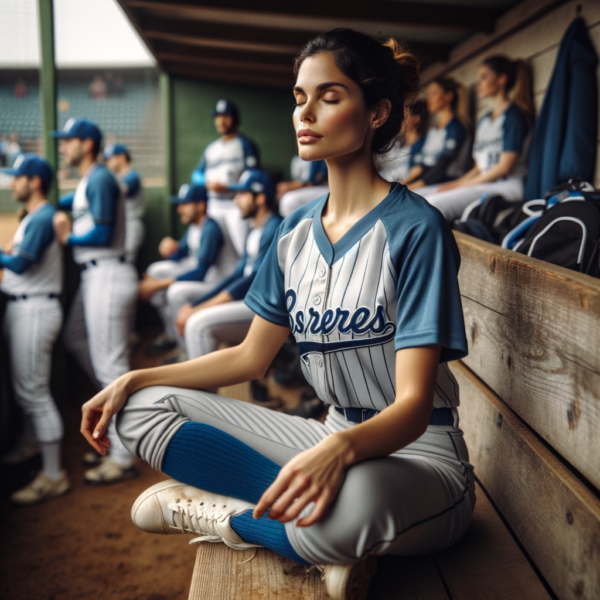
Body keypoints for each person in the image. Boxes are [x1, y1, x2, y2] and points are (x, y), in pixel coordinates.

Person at [80, 29, 474, 600]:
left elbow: (413, 408)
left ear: (377, 112)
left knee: (347, 510)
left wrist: (339, 452)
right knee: (141, 411)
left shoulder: (417, 228)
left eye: (330, 96)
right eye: (298, 96)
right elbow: (249, 356)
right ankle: (300, 522)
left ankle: (231, 519)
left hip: (420, 460)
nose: (305, 112)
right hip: (330, 434)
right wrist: (133, 376)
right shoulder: (292, 233)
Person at [51, 118, 139, 485]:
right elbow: (67, 203)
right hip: (95, 275)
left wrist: (68, 237)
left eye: (68, 141)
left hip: (108, 272)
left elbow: (101, 233)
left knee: (111, 367)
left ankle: (123, 455)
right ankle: (117, 421)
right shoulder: (90, 180)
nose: (62, 147)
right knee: (76, 339)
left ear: (87, 144)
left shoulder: (101, 177)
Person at [0, 154, 69, 504]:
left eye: (18, 177)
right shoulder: (37, 217)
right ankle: (30, 445)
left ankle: (54, 474)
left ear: (35, 181)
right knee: (26, 391)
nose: (14, 182)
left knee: (35, 394)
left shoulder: (42, 217)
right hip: (26, 306)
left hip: (36, 308)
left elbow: (20, 264)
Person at [174, 169, 282, 361]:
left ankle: (200, 389)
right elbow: (237, 275)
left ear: (260, 198)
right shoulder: (256, 227)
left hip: (266, 307)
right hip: (251, 299)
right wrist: (196, 304)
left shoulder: (274, 227)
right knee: (194, 316)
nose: (235, 201)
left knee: (197, 324)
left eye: (242, 194)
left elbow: (252, 281)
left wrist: (199, 309)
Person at [417, 57, 533, 222]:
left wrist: (462, 185)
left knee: (432, 204)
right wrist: (458, 182)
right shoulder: (484, 120)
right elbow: (479, 168)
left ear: (502, 79)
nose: (478, 83)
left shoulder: (514, 116)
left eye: (484, 77)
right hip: (484, 183)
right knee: (417, 197)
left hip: (507, 186)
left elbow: (504, 168)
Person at [141, 184, 236, 357]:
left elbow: (200, 273)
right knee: (156, 271)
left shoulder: (211, 228)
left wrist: (158, 285)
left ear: (200, 206)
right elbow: (181, 253)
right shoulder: (195, 225)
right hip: (207, 280)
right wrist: (170, 249)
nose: (179, 209)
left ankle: (184, 349)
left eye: (185, 204)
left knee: (176, 292)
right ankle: (172, 334)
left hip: (221, 285)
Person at [191, 99, 260, 257]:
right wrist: (207, 183)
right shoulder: (211, 148)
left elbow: (254, 176)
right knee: (221, 255)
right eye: (218, 116)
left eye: (226, 116)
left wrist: (230, 187)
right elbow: (196, 175)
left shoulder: (245, 144)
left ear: (235, 119)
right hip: (214, 205)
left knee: (244, 251)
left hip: (235, 206)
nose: (221, 120)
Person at [402, 78, 468, 190]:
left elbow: (442, 166)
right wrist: (402, 184)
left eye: (434, 93)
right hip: (428, 182)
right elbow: (422, 165)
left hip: (446, 183)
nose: (429, 99)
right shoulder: (433, 130)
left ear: (448, 96)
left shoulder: (455, 127)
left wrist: (414, 186)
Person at [104, 143, 144, 265]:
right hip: (122, 225)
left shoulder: (132, 176)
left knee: (125, 263)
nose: (108, 163)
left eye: (110, 158)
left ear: (121, 157)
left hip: (131, 224)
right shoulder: (116, 177)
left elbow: (118, 192)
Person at [374, 98, 428, 183]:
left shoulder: (422, 145)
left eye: (403, 116)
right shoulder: (395, 143)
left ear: (416, 118)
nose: (399, 120)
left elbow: (418, 169)